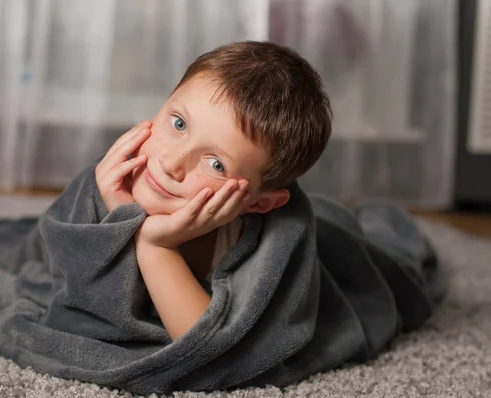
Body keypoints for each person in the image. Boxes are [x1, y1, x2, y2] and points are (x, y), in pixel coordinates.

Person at [94, 40, 332, 341]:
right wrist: (122, 221)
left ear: (258, 204)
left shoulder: (262, 246)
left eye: (216, 165)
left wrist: (156, 245)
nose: (170, 164)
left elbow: (208, 351)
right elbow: (78, 295)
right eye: (179, 124)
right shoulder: (109, 182)